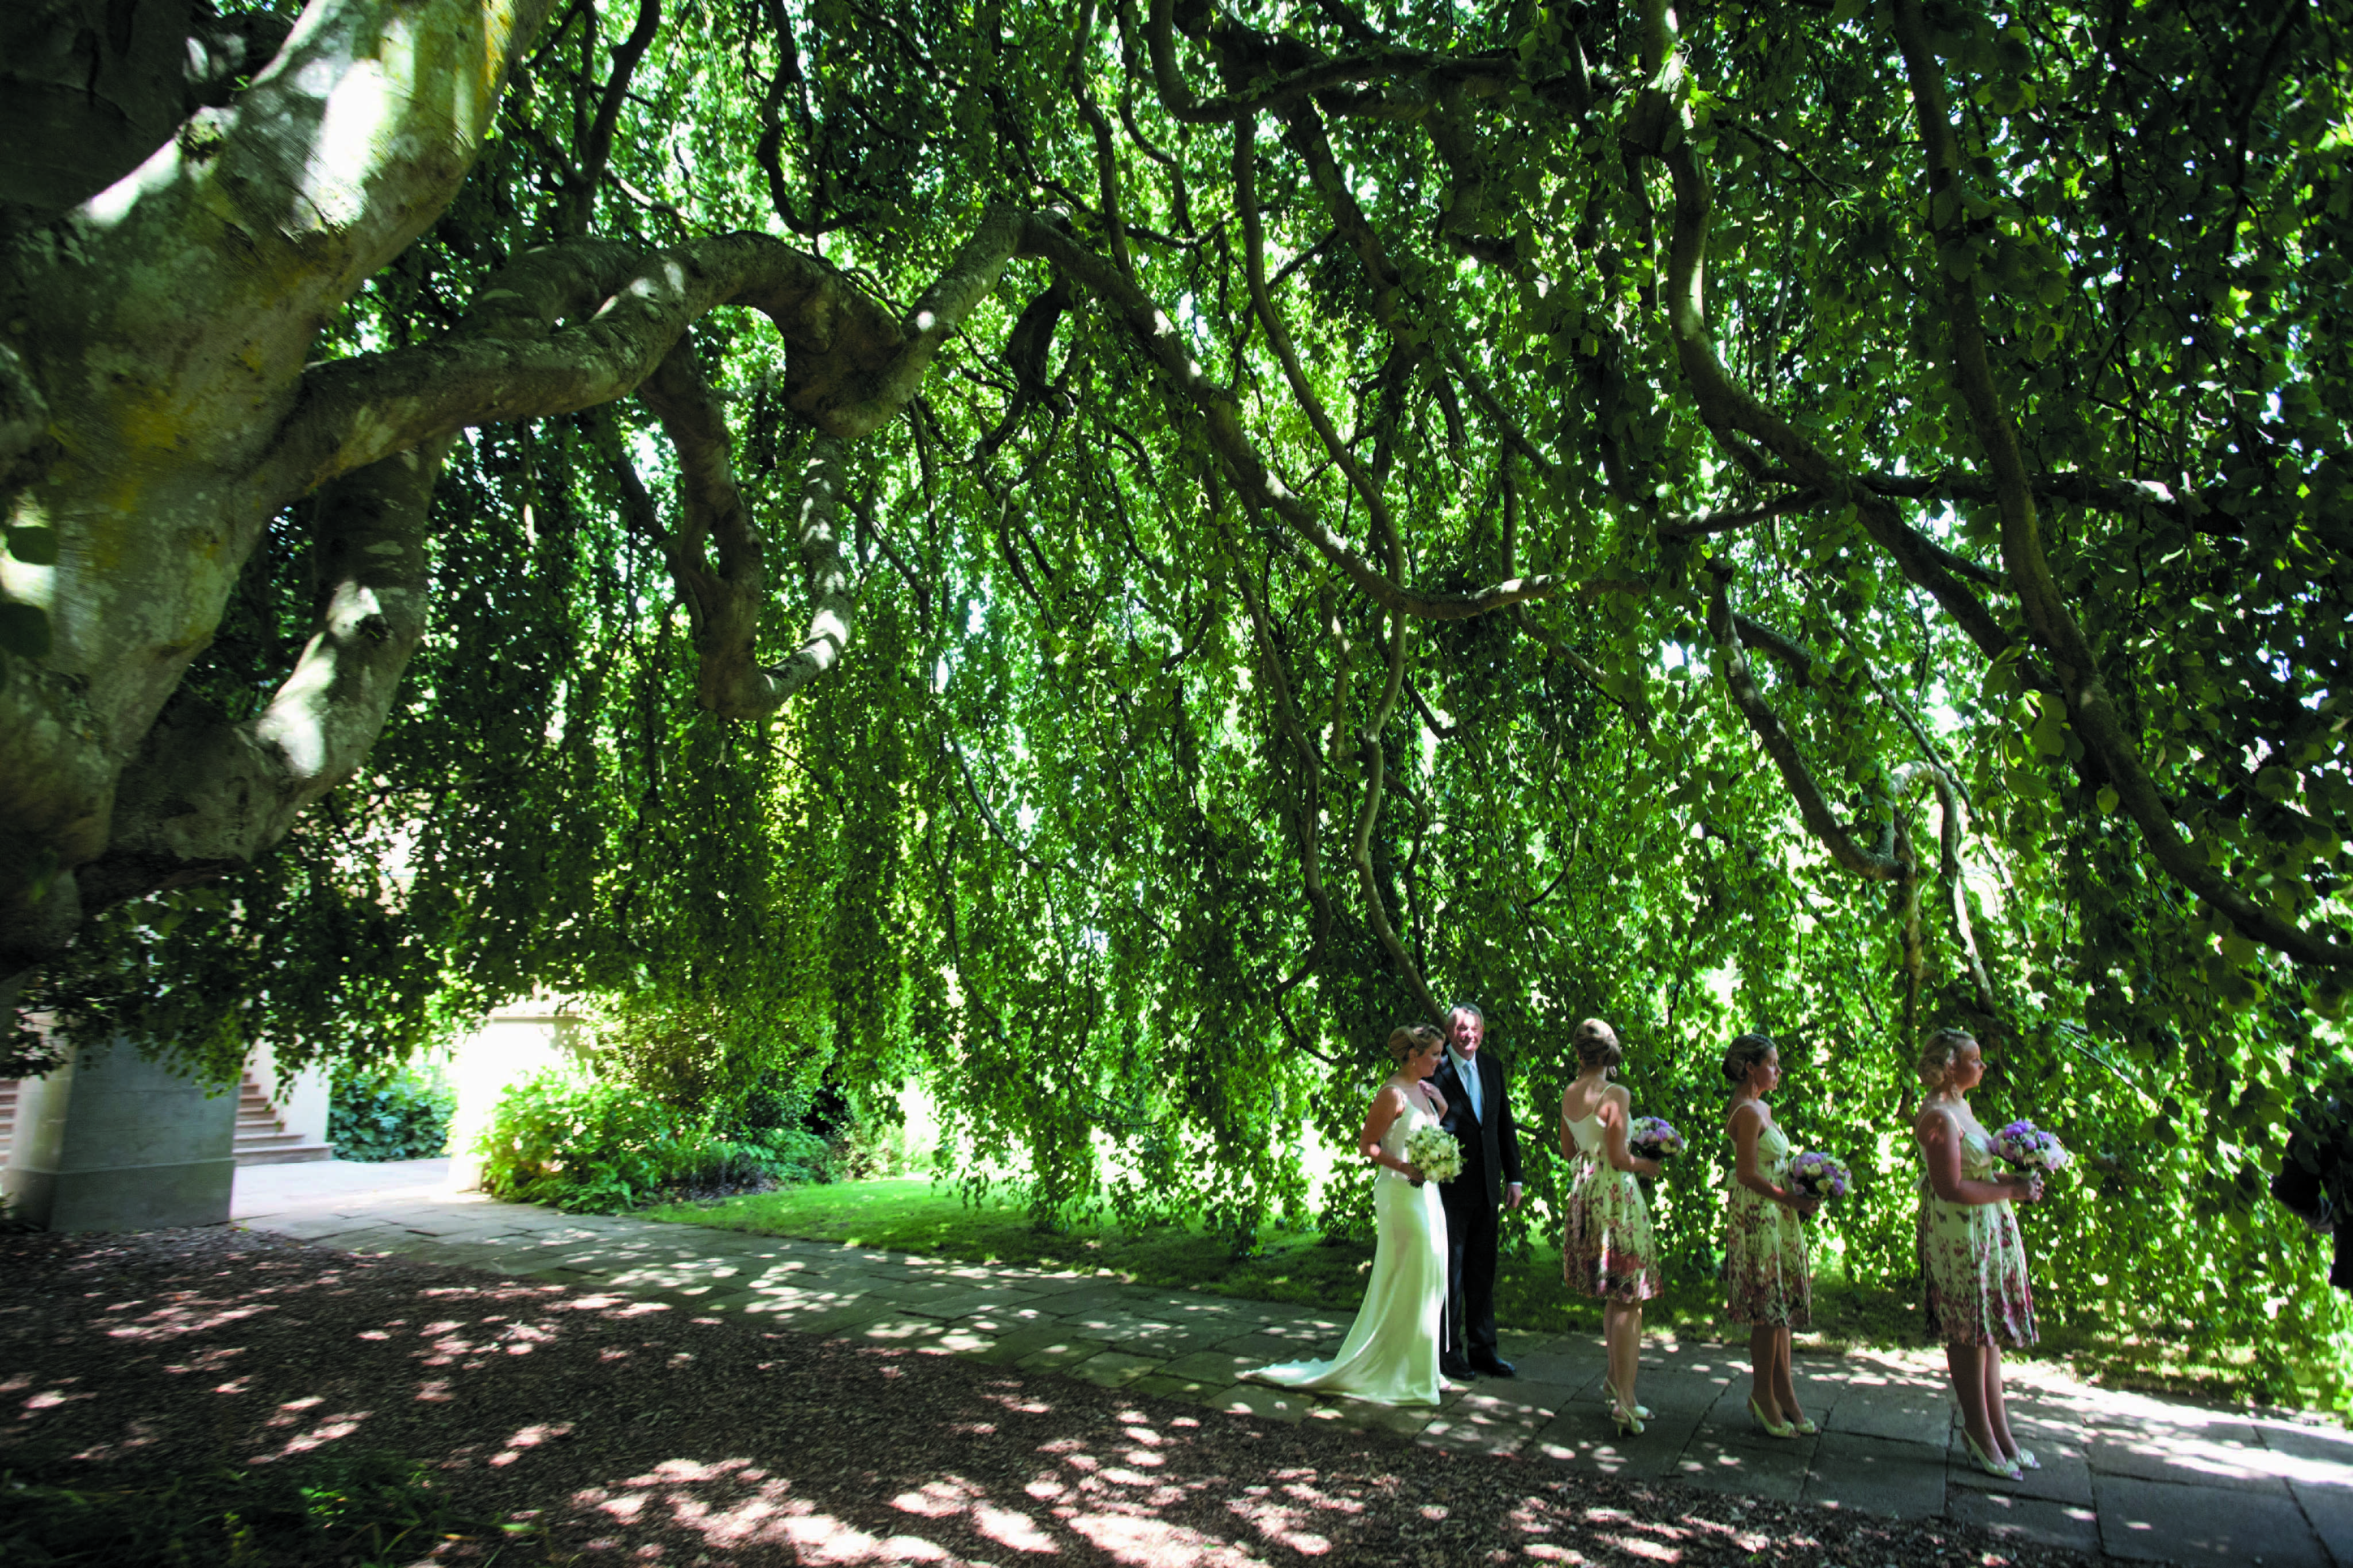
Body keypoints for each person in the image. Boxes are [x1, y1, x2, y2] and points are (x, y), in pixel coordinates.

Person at [1245, 1024, 1453, 1405]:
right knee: (1408, 1273)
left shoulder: (1424, 1090)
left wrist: (1440, 1106)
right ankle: (1392, 1365)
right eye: (1436, 1054)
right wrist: (1405, 1168)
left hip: (1428, 1194)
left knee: (1431, 1273)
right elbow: (1367, 1145)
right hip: (1400, 1194)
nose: (1440, 1062)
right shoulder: (1392, 1094)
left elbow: (1431, 1133)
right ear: (1413, 1055)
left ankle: (1421, 1366)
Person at [1914, 1026, 2043, 1481]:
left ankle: (2001, 1433)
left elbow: (1975, 1169)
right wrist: (2012, 1191)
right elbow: (1950, 1187)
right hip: (1958, 1232)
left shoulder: (1962, 1107)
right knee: (1968, 1333)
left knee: (1987, 1335)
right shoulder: (1936, 1117)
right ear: (1951, 1066)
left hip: (1985, 1226)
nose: (1983, 1066)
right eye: (1975, 1059)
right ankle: (1978, 1432)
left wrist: (2015, 1182)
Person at [1559, 1017, 1660, 1434]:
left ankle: (1615, 1382)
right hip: (1617, 1199)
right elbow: (1619, 1158)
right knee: (1629, 1297)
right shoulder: (1616, 1093)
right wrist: (1649, 1166)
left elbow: (1569, 1150)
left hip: (1586, 1195)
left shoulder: (1568, 1094)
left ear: (1579, 1054)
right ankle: (1626, 1399)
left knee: (1615, 1297)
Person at [1721, 1032, 1819, 1437]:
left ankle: (1786, 1393)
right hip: (1759, 1216)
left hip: (1777, 1213)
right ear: (1750, 1068)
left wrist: (1807, 1182)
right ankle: (1762, 1394)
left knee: (1781, 1312)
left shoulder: (1763, 1107)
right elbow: (1746, 1173)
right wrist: (1790, 1199)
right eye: (1773, 1064)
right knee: (1767, 1311)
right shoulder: (1746, 1112)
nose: (1779, 1071)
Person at [1429, 1001, 1525, 1378]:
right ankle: (1448, 1352)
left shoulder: (1491, 1067)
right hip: (1449, 1189)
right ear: (1449, 1032)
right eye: (1460, 1029)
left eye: (1474, 1029)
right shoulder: (1436, 1068)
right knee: (1450, 1274)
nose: (1468, 1035)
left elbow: (1503, 1126)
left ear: (1482, 1032)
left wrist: (1514, 1178)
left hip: (1488, 1186)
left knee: (1483, 1272)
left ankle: (1485, 1349)